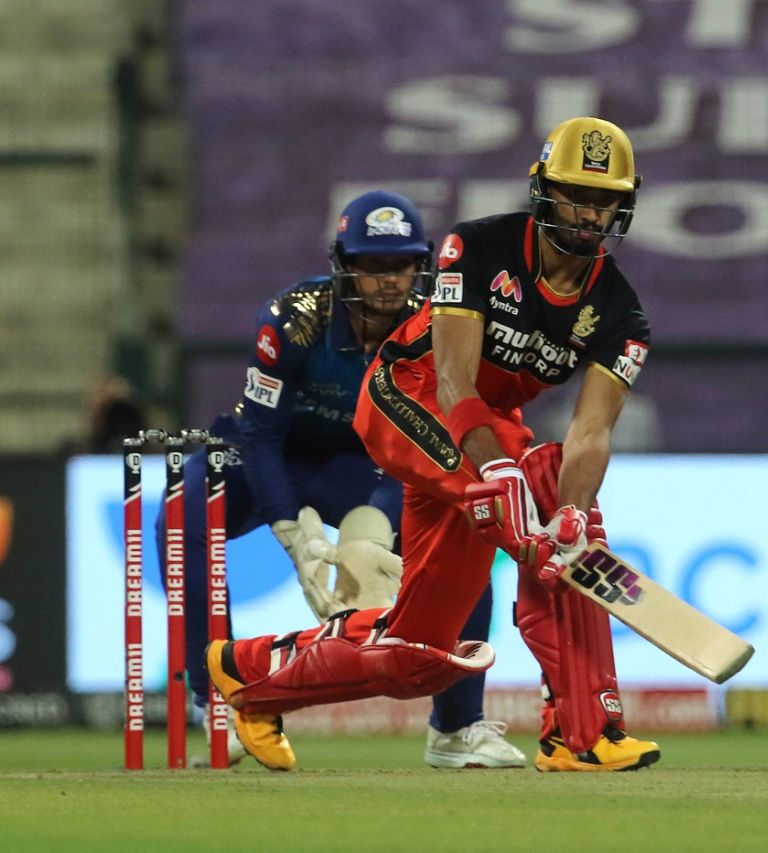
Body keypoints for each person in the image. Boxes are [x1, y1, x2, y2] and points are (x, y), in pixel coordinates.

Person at [207, 116, 661, 773]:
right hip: (405, 397)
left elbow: (591, 430)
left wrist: (569, 510)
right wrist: (515, 487)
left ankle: (245, 675)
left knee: (419, 653)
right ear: (543, 189)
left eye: (605, 200)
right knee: (536, 515)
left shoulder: (623, 314)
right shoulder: (475, 247)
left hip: (485, 438)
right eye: (575, 195)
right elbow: (450, 379)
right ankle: (582, 731)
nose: (590, 213)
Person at [157, 190, 524, 769]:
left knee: (465, 531)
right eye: (372, 266)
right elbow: (261, 434)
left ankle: (457, 728)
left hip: (371, 466)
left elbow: (425, 440)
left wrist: (370, 527)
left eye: (400, 265)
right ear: (343, 264)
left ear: (420, 265)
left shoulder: (442, 326)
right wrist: (290, 529)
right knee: (184, 513)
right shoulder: (293, 319)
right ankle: (214, 705)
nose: (387, 281)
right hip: (276, 457)